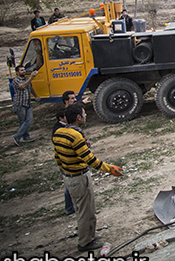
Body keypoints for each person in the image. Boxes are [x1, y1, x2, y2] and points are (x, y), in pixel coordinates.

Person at [53, 103, 123, 252]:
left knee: (81, 209)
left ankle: (88, 236)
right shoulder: (75, 136)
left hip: (69, 177)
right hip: (79, 178)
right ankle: (85, 243)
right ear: (78, 117)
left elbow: (57, 157)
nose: (86, 116)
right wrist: (109, 169)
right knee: (86, 212)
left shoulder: (59, 133)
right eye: (84, 114)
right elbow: (90, 160)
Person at [12, 65, 40, 146]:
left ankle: (25, 137)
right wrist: (31, 77)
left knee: (28, 120)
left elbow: (30, 88)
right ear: (17, 72)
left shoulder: (27, 79)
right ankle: (18, 136)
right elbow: (23, 86)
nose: (23, 71)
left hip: (27, 103)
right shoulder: (16, 81)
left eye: (24, 70)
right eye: (21, 70)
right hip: (19, 104)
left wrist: (36, 96)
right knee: (24, 122)